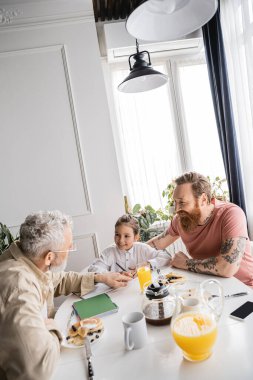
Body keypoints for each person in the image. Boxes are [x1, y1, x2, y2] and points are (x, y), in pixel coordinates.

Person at [0, 210, 132, 380]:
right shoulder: (17, 286)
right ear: (49, 257)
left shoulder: (29, 258)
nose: (70, 250)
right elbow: (36, 370)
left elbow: (57, 280)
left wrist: (100, 277)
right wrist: (51, 326)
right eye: (68, 247)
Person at [147, 171, 253, 287]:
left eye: (182, 202)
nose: (177, 209)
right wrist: (126, 251)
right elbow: (155, 244)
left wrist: (184, 263)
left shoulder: (231, 214)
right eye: (175, 202)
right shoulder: (180, 219)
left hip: (244, 289)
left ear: (203, 199)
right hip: (209, 286)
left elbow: (227, 267)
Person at [88, 214, 170, 273]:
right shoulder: (109, 252)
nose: (120, 240)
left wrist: (148, 264)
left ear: (136, 237)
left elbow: (166, 257)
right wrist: (112, 275)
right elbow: (93, 269)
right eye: (117, 235)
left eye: (126, 236)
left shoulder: (142, 248)